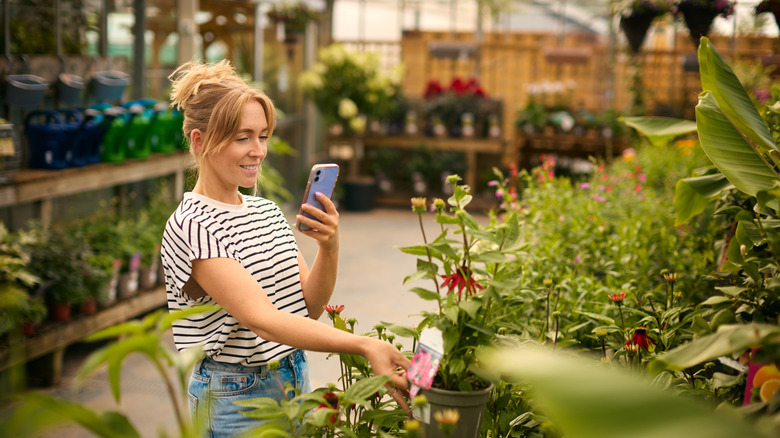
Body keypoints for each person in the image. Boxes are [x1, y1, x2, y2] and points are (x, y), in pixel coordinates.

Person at [160, 60, 409, 437]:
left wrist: (329, 246)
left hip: (293, 377)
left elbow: (306, 309)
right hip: (235, 397)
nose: (258, 151)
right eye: (242, 137)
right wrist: (363, 345)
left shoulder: (265, 211)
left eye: (262, 136)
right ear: (199, 141)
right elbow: (263, 319)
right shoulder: (192, 224)